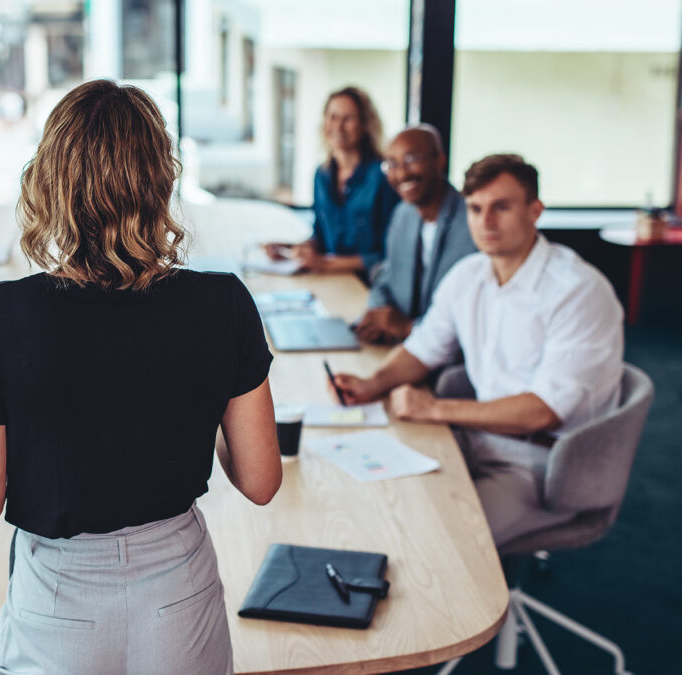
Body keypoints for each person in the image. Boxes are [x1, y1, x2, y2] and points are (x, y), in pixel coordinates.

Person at [0, 80, 282, 674]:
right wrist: (205, 390)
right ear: (162, 181)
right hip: (181, 592)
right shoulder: (223, 303)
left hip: (58, 600)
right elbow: (261, 479)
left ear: (48, 182)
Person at [331, 154, 623, 547]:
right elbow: (423, 349)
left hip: (544, 465)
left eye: (501, 207)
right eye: (475, 208)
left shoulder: (578, 291)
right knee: (378, 503)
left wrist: (436, 409)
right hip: (475, 438)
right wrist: (372, 383)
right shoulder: (468, 275)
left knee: (437, 546)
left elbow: (542, 410)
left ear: (534, 211)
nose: (485, 223)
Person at [356, 125, 477, 344]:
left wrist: (408, 328)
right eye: (392, 164)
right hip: (400, 346)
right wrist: (378, 313)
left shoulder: (473, 223)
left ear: (440, 161)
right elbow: (385, 277)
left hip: (444, 355)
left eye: (411, 159)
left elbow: (471, 316)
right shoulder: (403, 214)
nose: (401, 173)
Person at [265, 86, 398, 275]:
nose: (337, 126)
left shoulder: (383, 177)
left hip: (368, 285)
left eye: (347, 118)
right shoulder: (321, 175)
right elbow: (320, 235)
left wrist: (325, 264)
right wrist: (292, 249)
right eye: (332, 117)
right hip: (331, 280)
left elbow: (387, 254)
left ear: (364, 124)